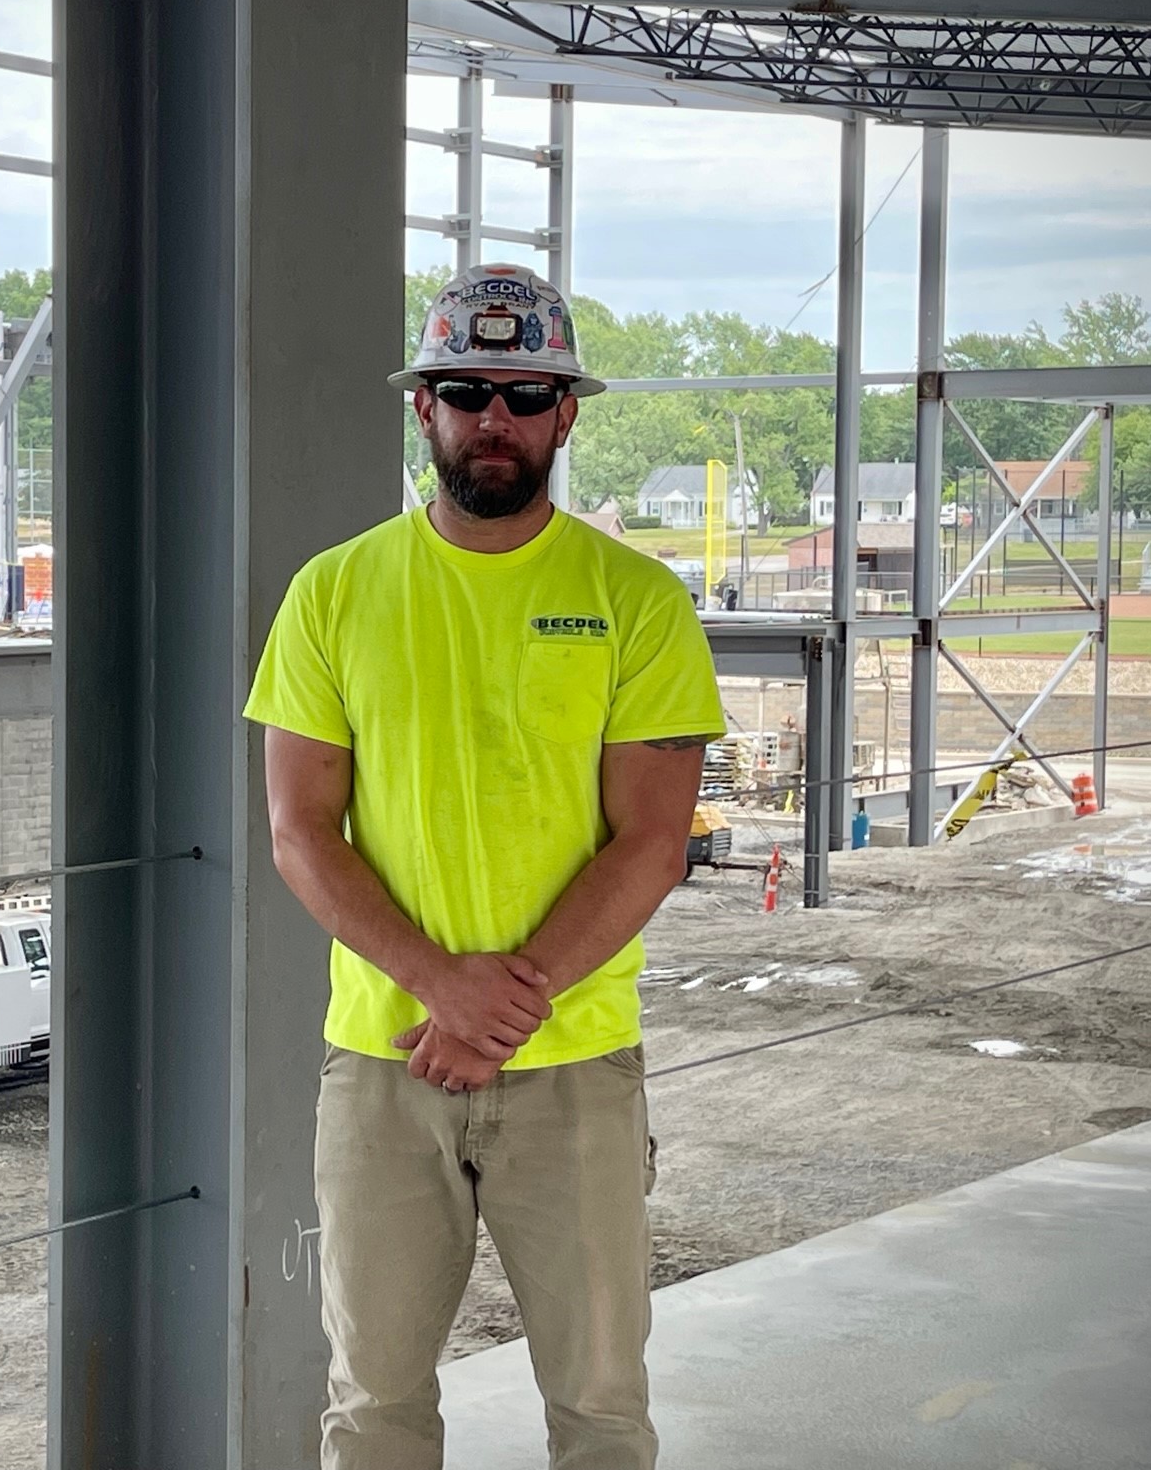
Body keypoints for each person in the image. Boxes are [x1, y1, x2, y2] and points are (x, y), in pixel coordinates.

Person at [244, 264, 723, 1470]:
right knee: (374, 1407)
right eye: (466, 389)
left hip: (575, 1069)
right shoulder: (334, 594)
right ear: (424, 409)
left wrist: (497, 1008)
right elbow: (301, 832)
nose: (492, 417)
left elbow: (652, 844)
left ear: (569, 412)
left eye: (525, 392)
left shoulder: (638, 603)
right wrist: (439, 989)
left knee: (602, 1407)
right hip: (385, 1067)